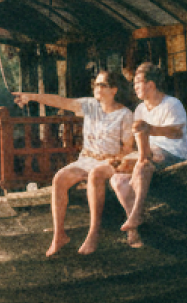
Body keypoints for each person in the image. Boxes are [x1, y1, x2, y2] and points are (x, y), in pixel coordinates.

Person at [13, 70, 134, 256]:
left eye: (102, 85)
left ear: (114, 90)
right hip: (87, 159)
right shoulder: (90, 105)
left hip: (109, 162)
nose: (97, 88)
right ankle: (59, 235)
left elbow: (127, 148)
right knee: (60, 178)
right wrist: (31, 97)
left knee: (94, 177)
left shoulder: (124, 114)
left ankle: (94, 233)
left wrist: (115, 159)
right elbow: (61, 101)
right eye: (96, 84)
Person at [111, 62, 187, 248]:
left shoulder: (172, 104)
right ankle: (135, 224)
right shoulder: (140, 109)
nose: (135, 87)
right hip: (149, 153)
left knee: (143, 163)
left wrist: (150, 129)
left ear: (151, 85)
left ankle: (137, 215)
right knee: (117, 179)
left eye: (138, 82)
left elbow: (177, 132)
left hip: (173, 152)